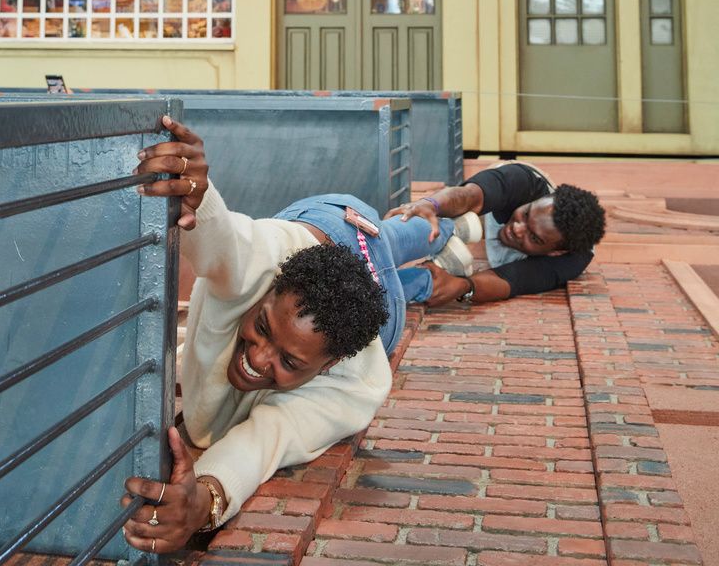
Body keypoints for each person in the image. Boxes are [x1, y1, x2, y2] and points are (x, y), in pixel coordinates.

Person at [119, 116, 481, 554]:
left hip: (373, 270)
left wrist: (205, 502)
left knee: (406, 244)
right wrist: (198, 192)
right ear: (269, 288)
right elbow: (226, 239)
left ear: (329, 364)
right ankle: (439, 237)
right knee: (401, 236)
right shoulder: (265, 262)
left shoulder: (356, 385)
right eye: (264, 328)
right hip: (329, 221)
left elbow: (267, 438)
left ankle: (448, 236)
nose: (258, 358)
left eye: (290, 362)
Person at [385, 160, 607, 307]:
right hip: (490, 208)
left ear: (557, 252)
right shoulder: (524, 182)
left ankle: (446, 260)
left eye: (534, 237)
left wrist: (462, 286)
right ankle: (456, 227)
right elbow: (469, 195)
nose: (517, 229)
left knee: (444, 277)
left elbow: (513, 280)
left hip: (517, 258)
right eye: (526, 215)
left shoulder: (572, 260)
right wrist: (430, 204)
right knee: (443, 215)